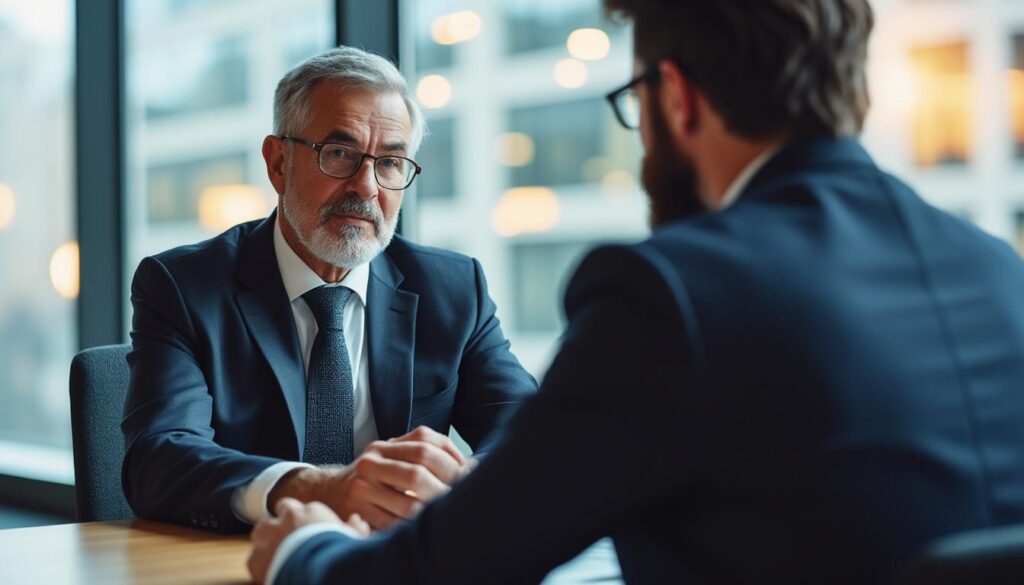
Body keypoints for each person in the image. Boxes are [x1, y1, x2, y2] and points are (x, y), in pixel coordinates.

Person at [247, 1, 1024, 584]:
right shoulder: (998, 269)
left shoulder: (675, 293)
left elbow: (449, 568)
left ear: (676, 97)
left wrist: (304, 550)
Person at [121, 46, 537, 535]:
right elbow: (158, 459)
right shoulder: (184, 287)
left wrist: (459, 482)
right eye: (339, 154)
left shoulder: (453, 289)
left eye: (390, 163)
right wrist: (317, 490)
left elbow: (533, 437)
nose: (365, 187)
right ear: (278, 163)